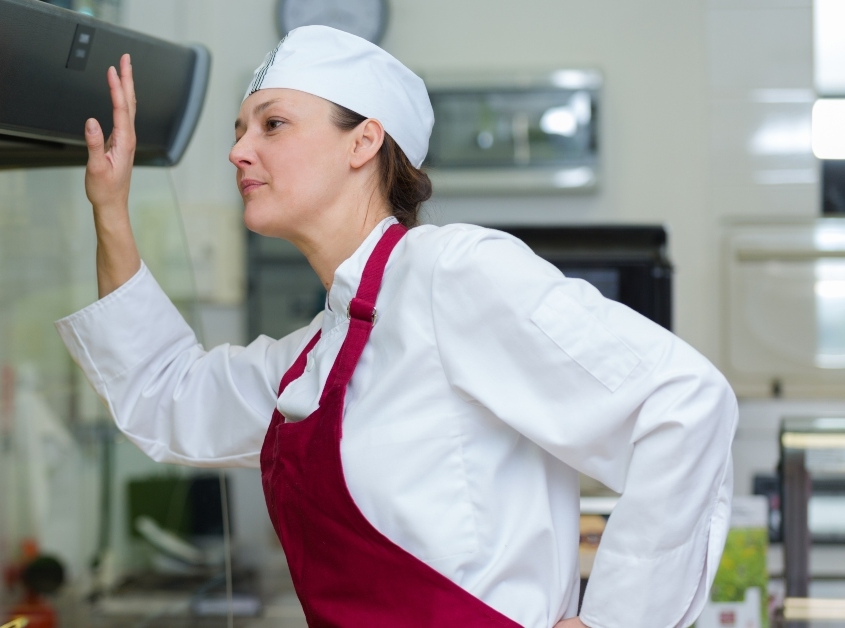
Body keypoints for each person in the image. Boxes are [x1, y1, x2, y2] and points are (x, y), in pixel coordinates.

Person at [56, 25, 737, 628]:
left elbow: (684, 402)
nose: (238, 151)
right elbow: (165, 392)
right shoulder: (312, 359)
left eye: (272, 125)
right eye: (238, 130)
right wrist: (110, 209)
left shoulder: (452, 273)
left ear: (364, 141)